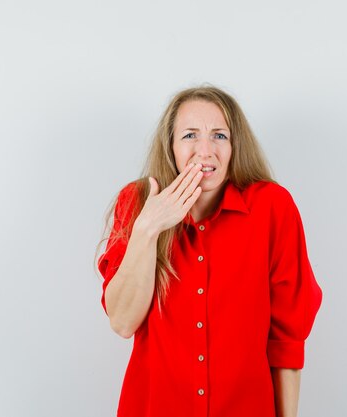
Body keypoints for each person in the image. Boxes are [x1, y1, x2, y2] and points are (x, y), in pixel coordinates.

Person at [95, 85, 323, 417]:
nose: (206, 151)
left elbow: (287, 341)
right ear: (170, 146)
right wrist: (148, 228)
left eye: (219, 136)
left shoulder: (273, 208)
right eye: (190, 135)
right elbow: (123, 321)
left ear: (234, 146)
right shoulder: (137, 202)